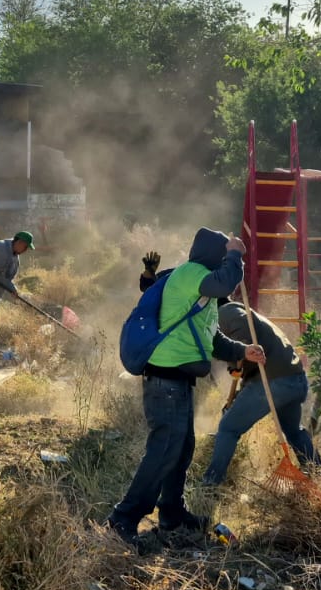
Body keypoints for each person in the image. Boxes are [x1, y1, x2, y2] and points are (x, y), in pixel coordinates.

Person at [107, 229, 263, 552]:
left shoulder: (202, 293)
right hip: (164, 379)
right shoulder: (192, 274)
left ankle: (172, 514)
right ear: (214, 257)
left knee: (182, 447)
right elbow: (225, 282)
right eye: (222, 257)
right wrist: (236, 253)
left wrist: (242, 351)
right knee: (164, 448)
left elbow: (211, 337)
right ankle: (123, 518)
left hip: (178, 381)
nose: (225, 264)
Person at [200, 302, 319, 486]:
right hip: (294, 380)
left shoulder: (226, 312)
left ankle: (209, 484)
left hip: (272, 382)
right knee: (294, 431)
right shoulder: (248, 313)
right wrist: (236, 369)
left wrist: (235, 361)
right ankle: (319, 477)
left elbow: (245, 342)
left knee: (228, 428)